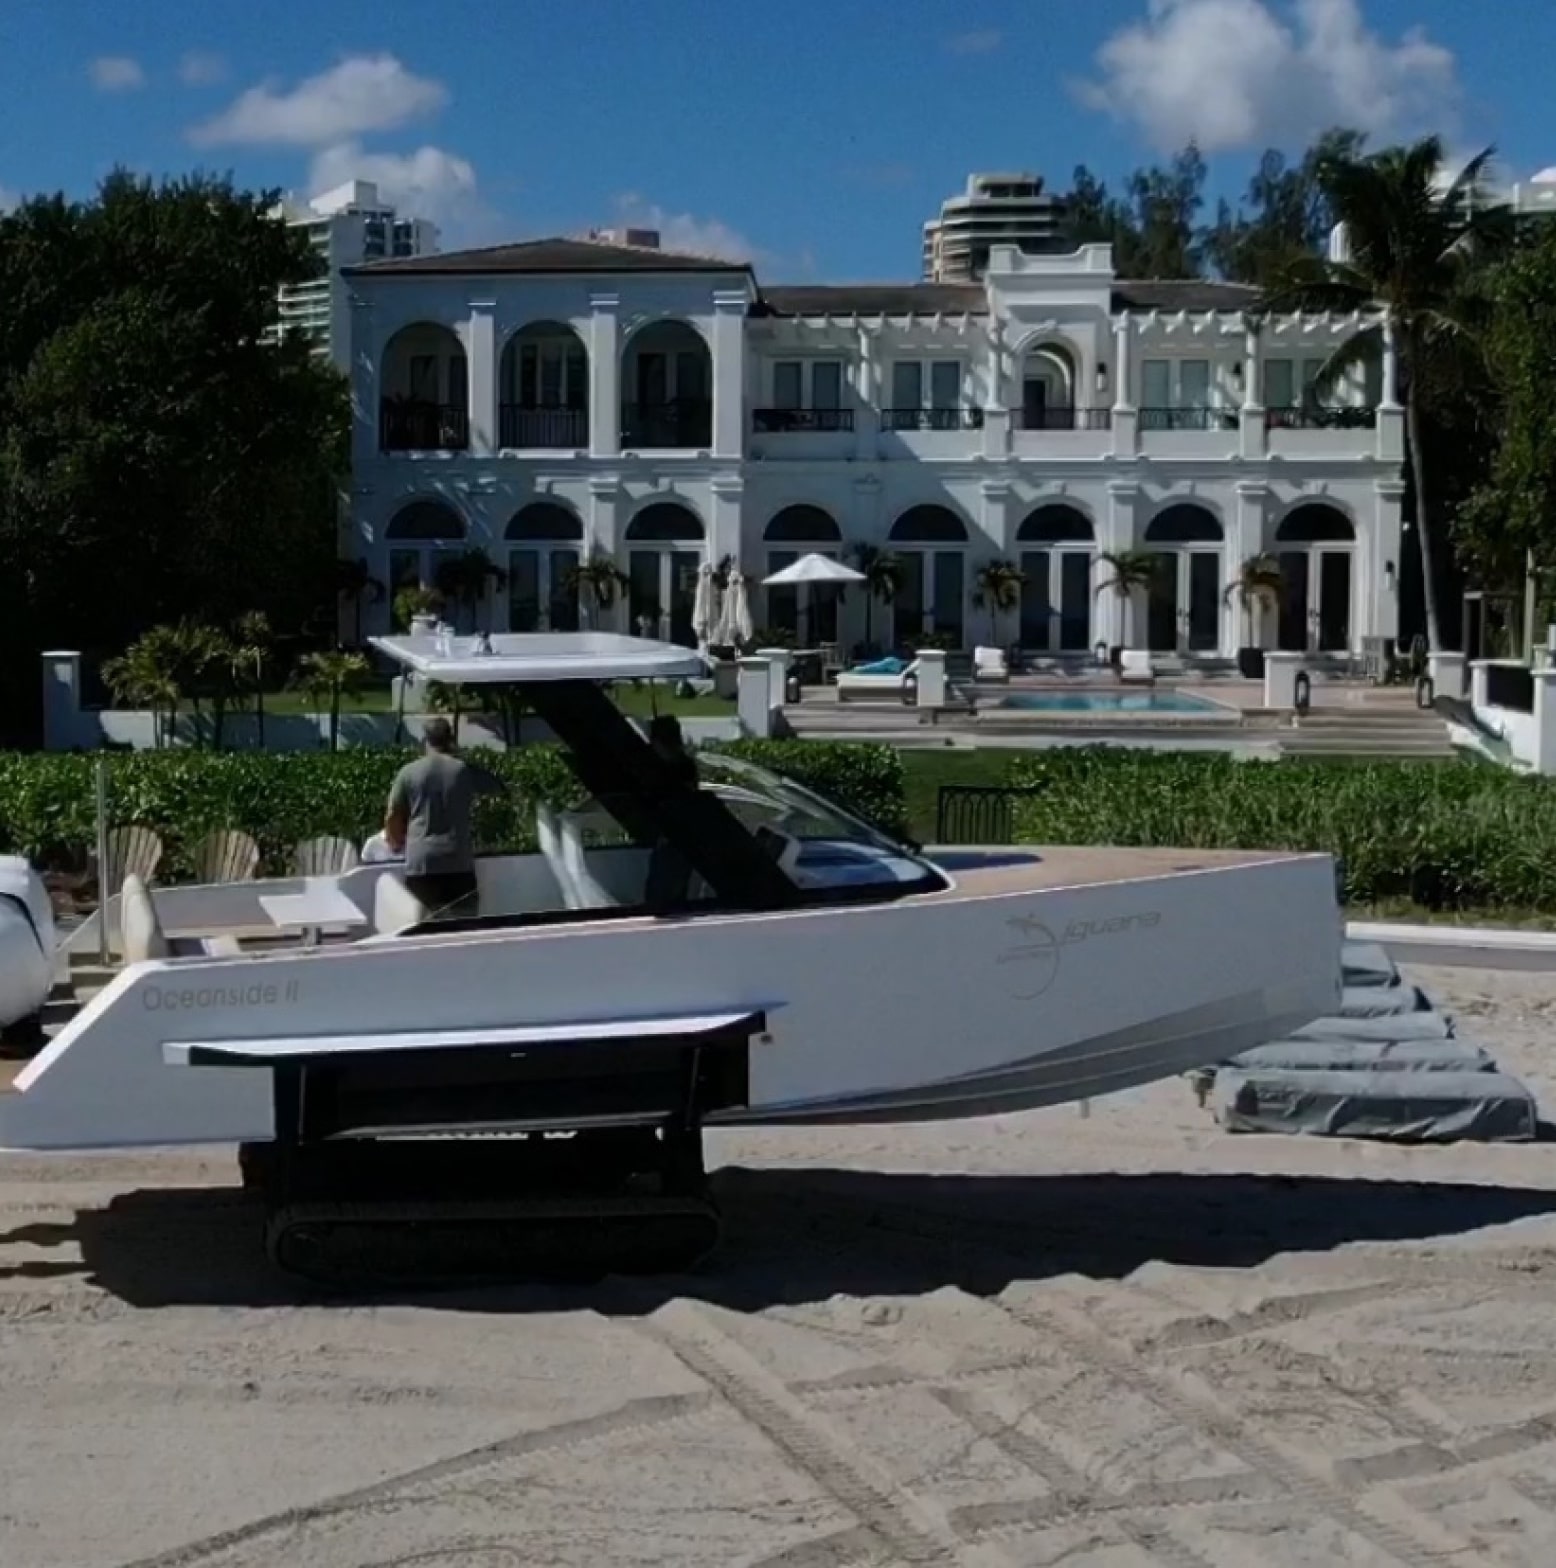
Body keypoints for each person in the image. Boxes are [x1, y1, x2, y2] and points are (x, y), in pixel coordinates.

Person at [382, 717, 506, 918]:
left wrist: (395, 843)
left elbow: (393, 814)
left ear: (425, 741)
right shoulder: (463, 770)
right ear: (451, 740)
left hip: (421, 865)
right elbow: (497, 786)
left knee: (422, 931)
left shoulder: (408, 772)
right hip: (458, 861)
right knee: (463, 929)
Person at [643, 714, 699, 913]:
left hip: (674, 842)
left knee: (664, 892)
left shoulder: (678, 769)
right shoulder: (682, 766)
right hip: (671, 841)